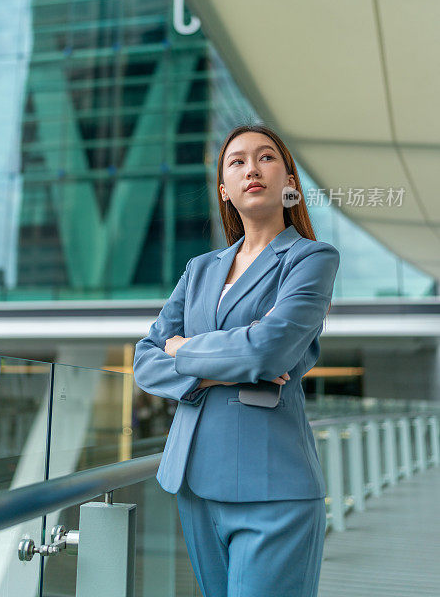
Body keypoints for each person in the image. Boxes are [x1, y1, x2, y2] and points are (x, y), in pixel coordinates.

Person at [132, 122, 340, 597]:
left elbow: (269, 349)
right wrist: (219, 371)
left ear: (289, 182)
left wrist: (183, 348)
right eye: (237, 161)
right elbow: (145, 359)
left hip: (273, 487)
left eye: (267, 158)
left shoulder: (311, 259)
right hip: (193, 481)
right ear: (224, 190)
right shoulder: (200, 269)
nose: (253, 169)